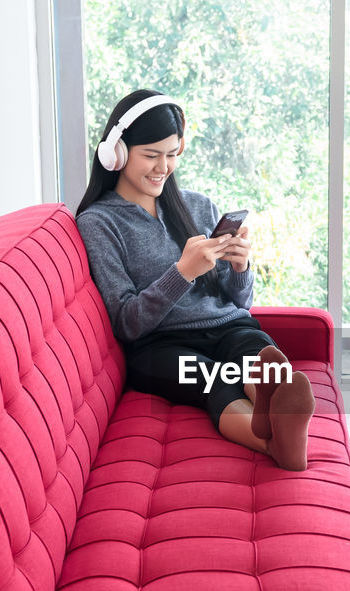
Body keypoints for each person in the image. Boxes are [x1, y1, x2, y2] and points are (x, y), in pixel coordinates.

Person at [74, 90, 314, 471]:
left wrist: (240, 268)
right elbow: (126, 321)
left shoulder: (199, 205)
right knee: (214, 381)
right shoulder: (100, 223)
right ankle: (274, 445)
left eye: (171, 154)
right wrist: (182, 272)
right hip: (161, 344)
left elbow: (240, 304)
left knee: (255, 351)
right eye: (151, 155)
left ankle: (280, 407)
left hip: (227, 327)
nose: (162, 167)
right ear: (116, 154)